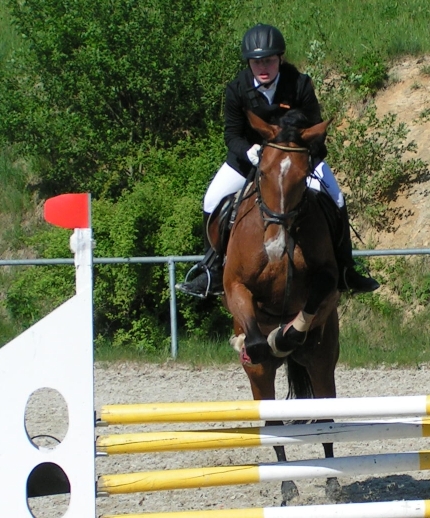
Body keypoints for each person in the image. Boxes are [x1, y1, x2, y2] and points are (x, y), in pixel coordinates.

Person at [176, 23, 379, 298]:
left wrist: (302, 156)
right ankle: (210, 269)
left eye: (269, 60)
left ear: (280, 59)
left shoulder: (300, 84)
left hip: (297, 161)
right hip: (248, 161)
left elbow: (317, 130)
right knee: (211, 200)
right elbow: (232, 135)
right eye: (257, 61)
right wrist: (250, 152)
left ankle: (346, 269)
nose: (263, 66)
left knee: (337, 198)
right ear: (249, 62)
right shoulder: (236, 89)